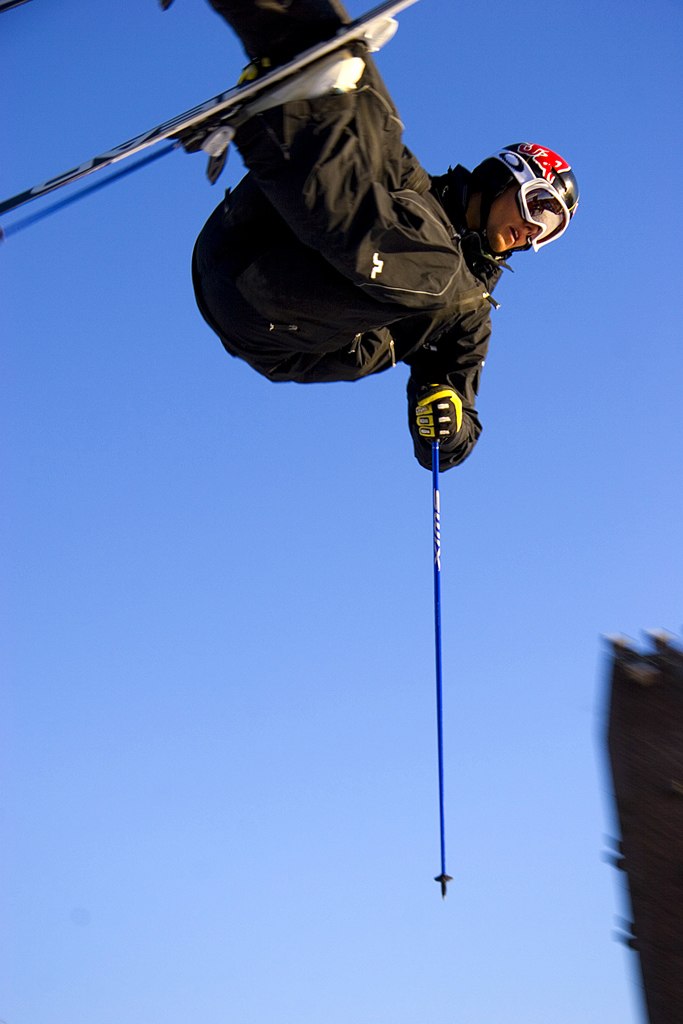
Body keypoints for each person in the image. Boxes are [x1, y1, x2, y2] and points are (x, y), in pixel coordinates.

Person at [184, 0, 579, 470]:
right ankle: (301, 46)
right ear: (502, 178)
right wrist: (355, 76)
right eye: (539, 205)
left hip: (268, 318)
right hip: (240, 238)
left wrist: (447, 420)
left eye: (550, 229)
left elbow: (458, 415)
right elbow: (384, 151)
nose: (532, 232)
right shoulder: (413, 189)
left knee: (442, 278)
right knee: (379, 134)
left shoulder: (466, 314)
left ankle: (281, 117)